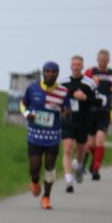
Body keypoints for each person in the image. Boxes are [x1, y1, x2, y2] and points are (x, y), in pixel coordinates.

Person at [20, 62, 70, 209]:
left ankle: (46, 197)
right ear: (43, 73)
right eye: (47, 71)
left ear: (57, 74)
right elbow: (23, 104)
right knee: (34, 167)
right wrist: (27, 114)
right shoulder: (33, 88)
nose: (50, 74)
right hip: (35, 134)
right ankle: (35, 182)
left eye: (54, 72)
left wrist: (66, 113)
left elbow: (66, 109)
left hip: (53, 135)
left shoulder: (63, 91)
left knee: (50, 167)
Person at [59, 56, 97, 193]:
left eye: (78, 65)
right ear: (70, 66)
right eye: (73, 64)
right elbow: (58, 97)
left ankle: (79, 165)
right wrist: (70, 96)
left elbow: (97, 101)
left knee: (81, 149)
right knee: (68, 148)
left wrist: (86, 98)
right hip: (67, 119)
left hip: (83, 120)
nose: (75, 67)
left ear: (82, 67)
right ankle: (68, 179)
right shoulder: (63, 82)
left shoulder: (90, 83)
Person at [83, 50, 112, 180]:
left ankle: (95, 169)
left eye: (105, 60)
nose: (102, 62)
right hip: (91, 110)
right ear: (97, 59)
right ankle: (94, 161)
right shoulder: (90, 71)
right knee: (90, 144)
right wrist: (90, 81)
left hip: (104, 111)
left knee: (100, 140)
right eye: (100, 59)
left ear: (108, 61)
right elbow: (82, 84)